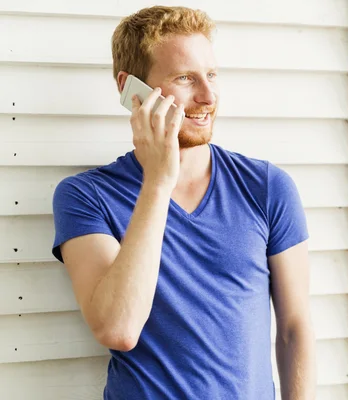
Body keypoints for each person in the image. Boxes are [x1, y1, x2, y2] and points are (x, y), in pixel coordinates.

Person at [51, 5, 316, 400]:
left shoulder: (267, 187)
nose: (208, 95)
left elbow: (295, 328)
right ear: (131, 88)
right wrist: (159, 181)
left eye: (211, 74)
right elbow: (118, 329)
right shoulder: (86, 196)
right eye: (185, 78)